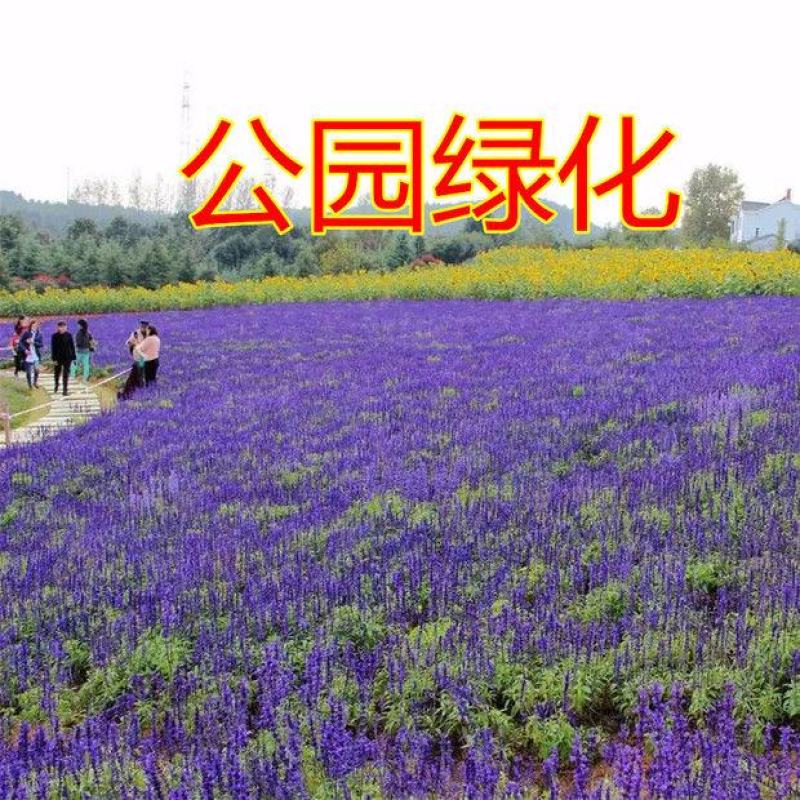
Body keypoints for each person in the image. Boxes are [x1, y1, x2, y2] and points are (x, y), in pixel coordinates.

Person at [51, 320, 76, 396]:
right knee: (57, 373)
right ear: (58, 327)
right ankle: (56, 384)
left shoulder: (69, 335)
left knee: (66, 374)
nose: (63, 328)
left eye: (65, 327)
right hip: (58, 357)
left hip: (67, 357)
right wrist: (54, 359)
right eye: (61, 327)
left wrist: (74, 357)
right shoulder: (54, 336)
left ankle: (65, 390)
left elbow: (72, 346)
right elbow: (53, 348)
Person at [18, 319, 43, 390]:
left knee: (37, 370)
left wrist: (33, 343)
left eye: (36, 325)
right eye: (33, 325)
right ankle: (29, 385)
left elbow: (41, 344)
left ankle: (35, 382)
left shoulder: (39, 334)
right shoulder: (26, 333)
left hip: (36, 356)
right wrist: (25, 350)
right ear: (30, 326)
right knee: (28, 372)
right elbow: (20, 343)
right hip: (28, 355)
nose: (34, 327)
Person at [72, 318, 95, 383]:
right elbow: (92, 340)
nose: (77, 326)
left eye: (78, 324)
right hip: (86, 351)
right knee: (86, 366)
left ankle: (72, 377)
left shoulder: (79, 333)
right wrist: (91, 347)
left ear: (81, 325)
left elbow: (78, 343)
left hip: (79, 351)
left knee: (74, 364)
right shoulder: (88, 332)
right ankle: (85, 379)